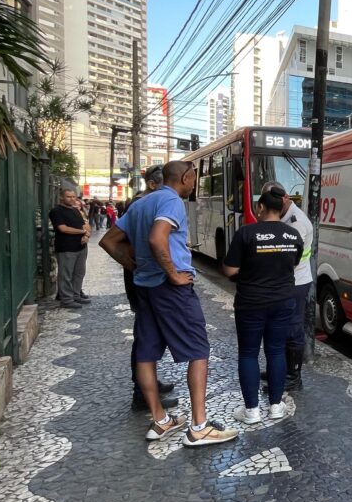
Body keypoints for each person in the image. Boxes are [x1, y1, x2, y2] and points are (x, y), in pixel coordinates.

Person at [100, 160, 238, 447]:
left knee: (145, 354)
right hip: (171, 290)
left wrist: (135, 267)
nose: (194, 184)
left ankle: (161, 420)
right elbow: (157, 238)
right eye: (194, 179)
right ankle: (199, 427)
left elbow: (109, 241)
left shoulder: (141, 203)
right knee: (199, 350)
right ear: (185, 177)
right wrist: (173, 274)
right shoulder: (172, 201)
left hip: (145, 289)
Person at [222, 188, 303, 423]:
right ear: (281, 208)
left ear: (260, 207)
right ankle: (276, 406)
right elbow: (293, 264)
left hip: (251, 303)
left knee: (248, 353)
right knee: (276, 351)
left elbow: (230, 270)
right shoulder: (293, 235)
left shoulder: (246, 233)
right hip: (283, 302)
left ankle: (251, 411)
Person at [122, 166, 177, 411]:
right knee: (146, 337)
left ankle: (148, 385)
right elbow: (119, 242)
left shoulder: (143, 203)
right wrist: (138, 266)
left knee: (149, 335)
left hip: (144, 279)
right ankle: (142, 393)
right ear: (153, 185)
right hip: (149, 281)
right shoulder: (143, 204)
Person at [262, 182, 314, 388]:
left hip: (296, 282)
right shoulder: (282, 216)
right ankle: (279, 369)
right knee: (281, 327)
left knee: (292, 328)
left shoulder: (296, 222)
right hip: (285, 281)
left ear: (285, 198)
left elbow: (288, 258)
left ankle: (293, 377)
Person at [49, 187, 90, 309]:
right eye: (68, 197)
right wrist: (82, 232)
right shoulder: (56, 211)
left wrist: (86, 235)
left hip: (81, 246)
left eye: (73, 197)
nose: (72, 199)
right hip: (66, 247)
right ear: (61, 197)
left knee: (79, 273)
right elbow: (63, 228)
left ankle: (76, 295)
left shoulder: (76, 210)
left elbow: (85, 225)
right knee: (65, 274)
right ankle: (66, 299)